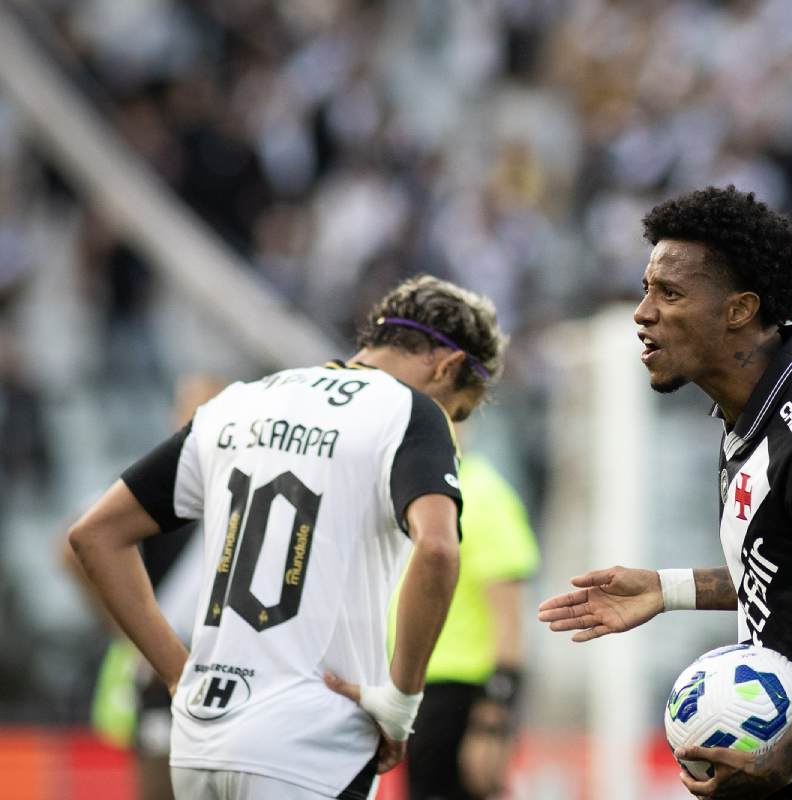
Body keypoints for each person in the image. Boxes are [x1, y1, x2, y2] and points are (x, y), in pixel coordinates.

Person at [538, 186, 792, 798]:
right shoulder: (755, 414)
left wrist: (780, 760)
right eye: (647, 290)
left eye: (669, 293)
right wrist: (666, 589)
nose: (643, 313)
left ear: (738, 310)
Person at [68, 275, 506, 800]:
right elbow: (437, 549)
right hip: (310, 742)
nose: (451, 431)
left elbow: (94, 534)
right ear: (449, 367)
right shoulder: (411, 412)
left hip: (200, 736)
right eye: (458, 411)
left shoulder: (240, 401)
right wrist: (401, 701)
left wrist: (177, 675)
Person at [62, 375, 225, 800]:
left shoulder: (239, 488)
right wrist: (135, 630)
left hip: (225, 665)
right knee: (162, 782)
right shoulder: (162, 484)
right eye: (193, 413)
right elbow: (75, 544)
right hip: (169, 664)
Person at [392, 449, 540, 800]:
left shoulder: (482, 494)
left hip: (461, 696)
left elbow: (510, 615)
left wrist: (491, 723)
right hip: (420, 692)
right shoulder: (419, 488)